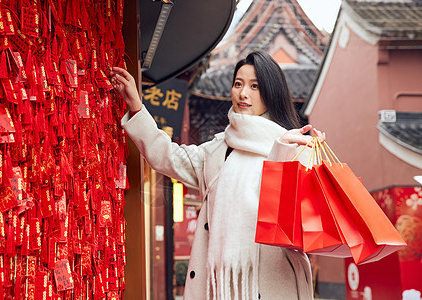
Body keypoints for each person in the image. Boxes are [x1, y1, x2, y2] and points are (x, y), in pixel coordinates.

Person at [110, 50, 325, 300]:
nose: (243, 93)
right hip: (220, 287)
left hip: (273, 283)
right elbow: (167, 156)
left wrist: (296, 153)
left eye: (255, 86)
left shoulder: (291, 147)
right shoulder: (219, 150)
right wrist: (137, 107)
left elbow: (297, 217)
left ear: (271, 93)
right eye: (238, 84)